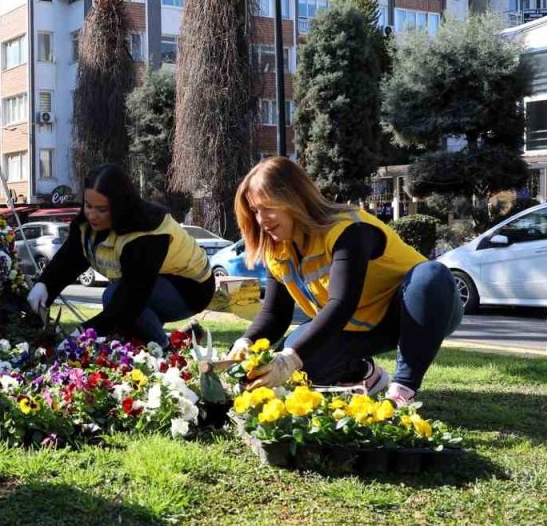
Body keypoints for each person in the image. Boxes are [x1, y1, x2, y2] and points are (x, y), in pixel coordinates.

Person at [228, 157, 463, 406]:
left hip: (415, 313)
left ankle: (403, 389)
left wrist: (291, 357)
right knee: (293, 372)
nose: (261, 219)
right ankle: (361, 374)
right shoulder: (277, 249)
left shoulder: (349, 229)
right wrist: (246, 342)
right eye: (255, 210)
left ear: (296, 199)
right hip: (356, 328)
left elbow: (341, 304)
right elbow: (275, 315)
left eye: (268, 207)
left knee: (431, 275)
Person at [26, 163, 216, 347]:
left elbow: (130, 299)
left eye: (102, 209)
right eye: (88, 205)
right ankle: (169, 339)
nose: (92, 215)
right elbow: (69, 260)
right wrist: (45, 285)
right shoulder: (87, 226)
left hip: (190, 287)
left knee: (114, 298)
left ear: (120, 206)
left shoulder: (146, 235)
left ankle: (163, 346)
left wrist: (83, 332)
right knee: (120, 311)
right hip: (152, 282)